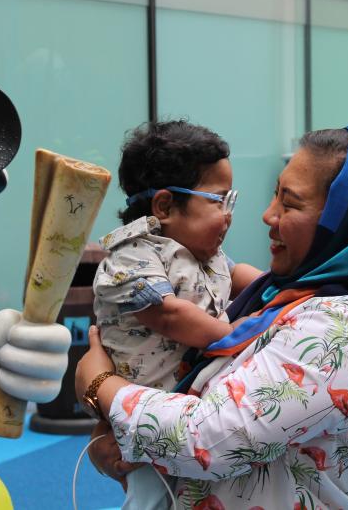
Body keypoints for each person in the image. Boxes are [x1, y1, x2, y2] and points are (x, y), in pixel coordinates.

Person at [77, 125, 348, 509]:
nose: (268, 215)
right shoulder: (285, 296)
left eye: (290, 203)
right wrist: (114, 436)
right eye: (275, 195)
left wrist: (99, 384)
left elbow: (206, 439)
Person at [91, 120, 260, 508]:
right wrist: (232, 333)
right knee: (151, 494)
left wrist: (276, 285)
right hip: (144, 410)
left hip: (186, 406)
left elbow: (237, 276)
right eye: (219, 201)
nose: (228, 215)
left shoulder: (205, 256)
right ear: (165, 205)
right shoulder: (133, 255)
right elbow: (168, 314)